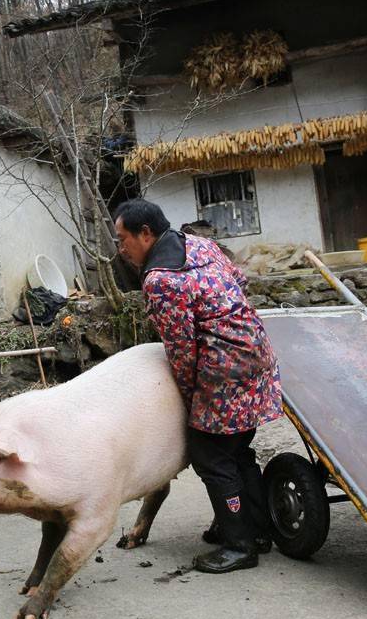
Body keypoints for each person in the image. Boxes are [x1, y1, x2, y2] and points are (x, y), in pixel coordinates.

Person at [114, 199, 283, 575]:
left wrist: (191, 399)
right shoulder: (198, 244)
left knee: (211, 455)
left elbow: (181, 348)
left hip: (223, 368)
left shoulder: (161, 280)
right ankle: (256, 531)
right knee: (238, 448)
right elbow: (240, 281)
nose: (121, 249)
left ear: (146, 234)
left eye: (123, 239)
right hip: (256, 349)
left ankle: (238, 545)